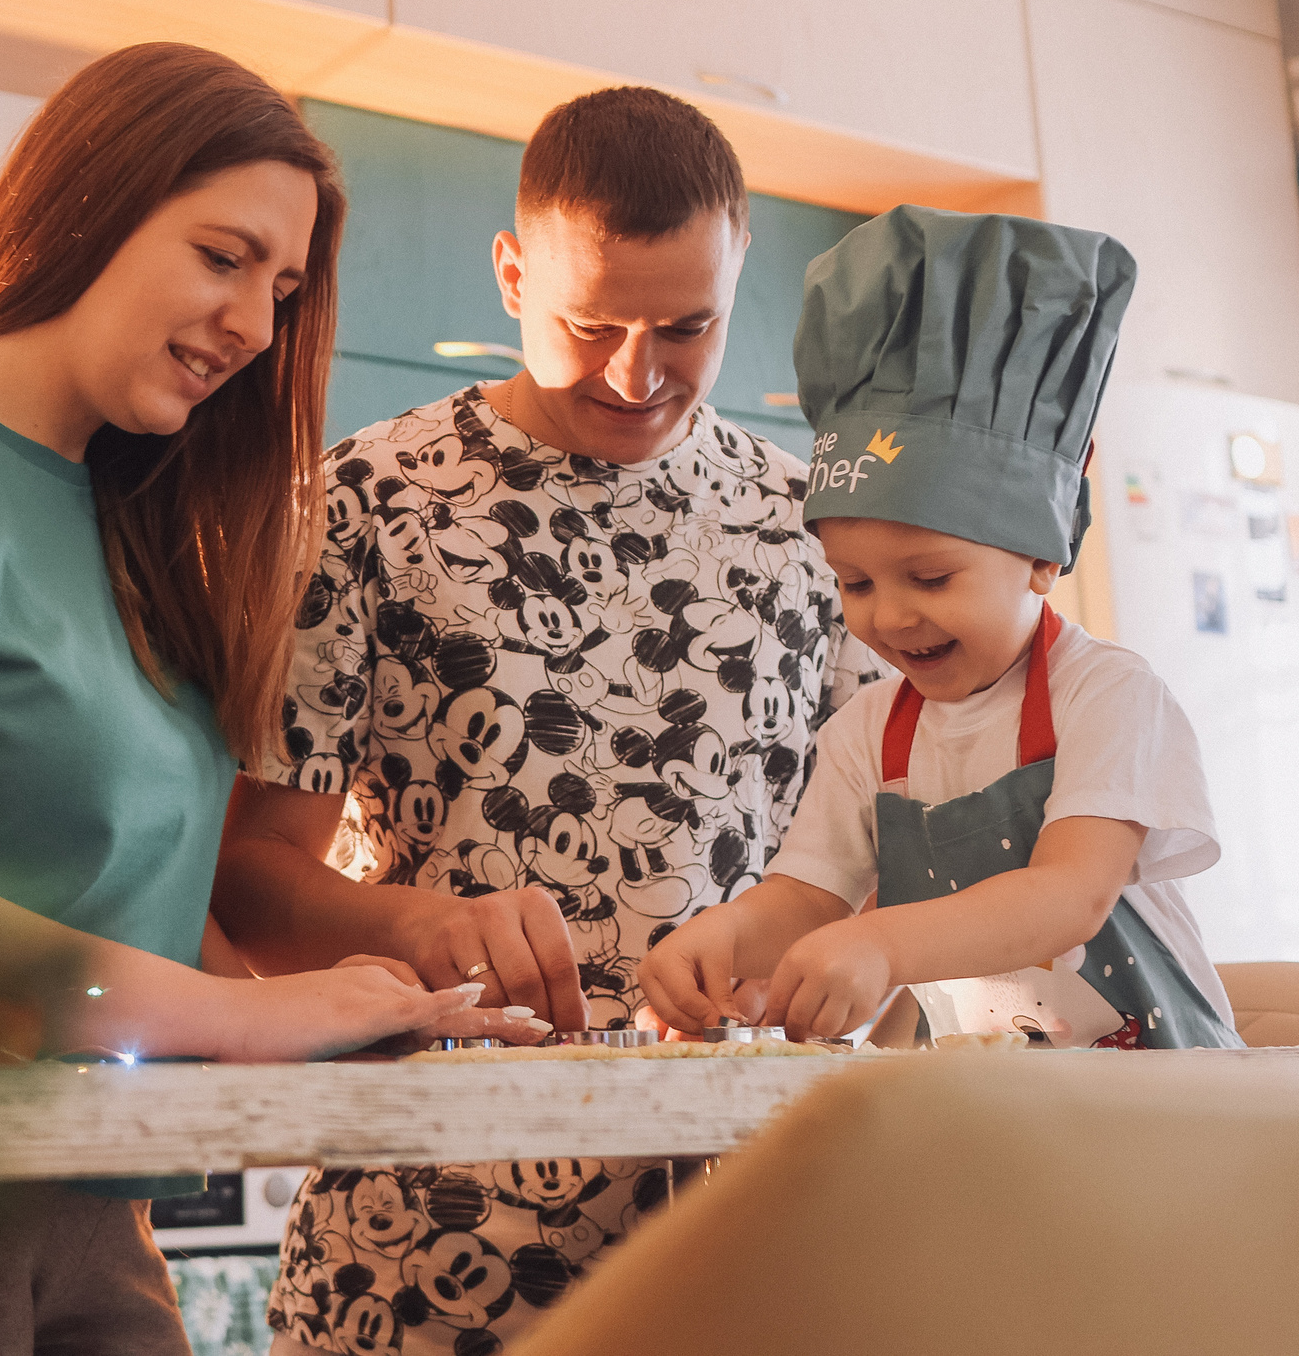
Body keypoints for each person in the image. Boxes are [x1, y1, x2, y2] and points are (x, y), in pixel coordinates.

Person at [0, 43, 518, 1356]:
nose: (256, 322)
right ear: (92, 203)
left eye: (285, 287)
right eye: (223, 254)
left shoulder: (142, 520)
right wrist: (249, 1015)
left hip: (99, 1200)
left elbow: (114, 887)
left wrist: (354, 1009)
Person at [215, 87, 879, 1356]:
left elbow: (868, 854)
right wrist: (420, 921)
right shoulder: (365, 503)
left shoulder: (816, 532)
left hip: (759, 1225)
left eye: (688, 328)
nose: (638, 376)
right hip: (428, 1240)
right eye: (593, 325)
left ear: (739, 278)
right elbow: (249, 883)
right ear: (513, 274)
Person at [640, 206, 1244, 1051]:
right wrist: (721, 941)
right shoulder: (866, 736)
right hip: (995, 1121)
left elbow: (1071, 895)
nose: (889, 615)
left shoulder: (1108, 696)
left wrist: (881, 941)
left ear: (1040, 555)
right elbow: (809, 898)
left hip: (1171, 1117)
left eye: (931, 577)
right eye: (854, 581)